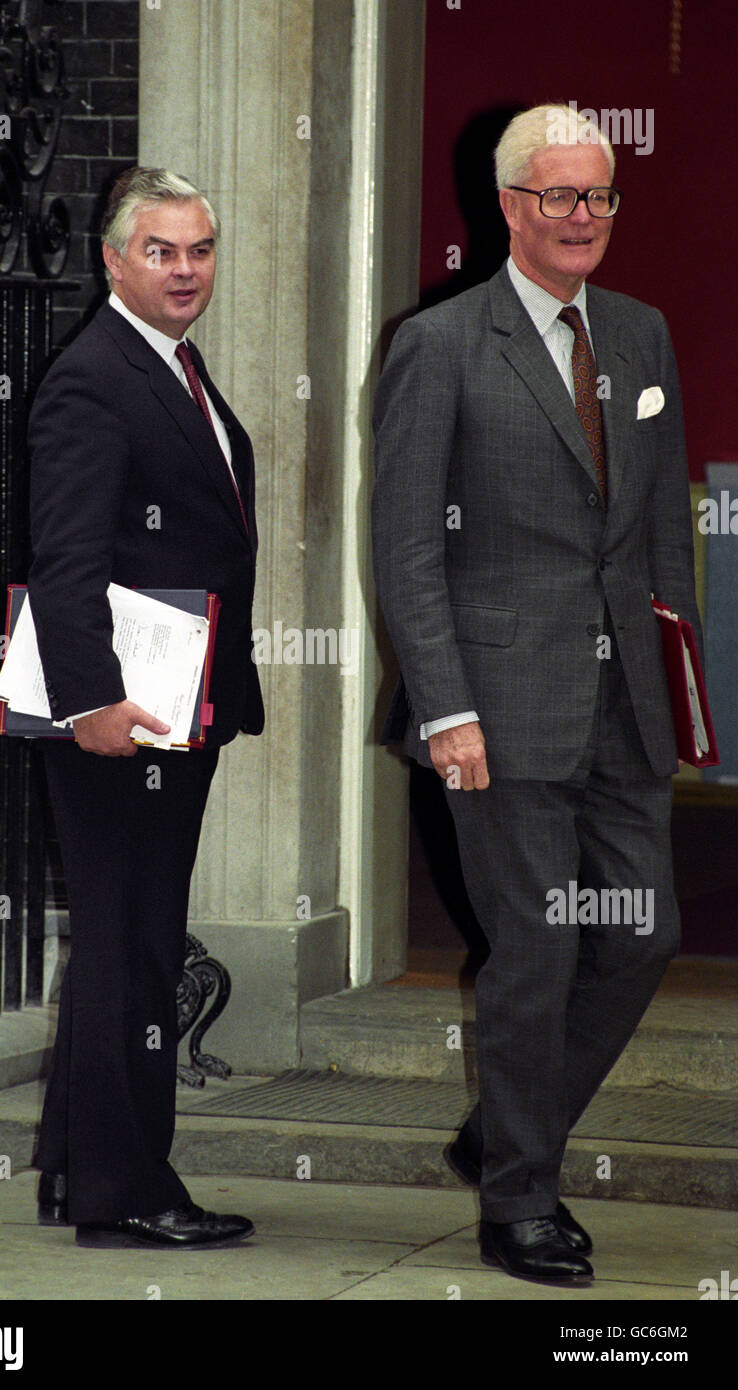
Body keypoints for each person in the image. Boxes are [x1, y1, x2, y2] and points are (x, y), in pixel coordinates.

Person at [371, 104, 702, 1284]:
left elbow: (662, 535)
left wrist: (683, 696)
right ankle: (519, 1200)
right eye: (557, 196)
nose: (580, 217)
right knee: (536, 949)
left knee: (644, 930)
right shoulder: (440, 345)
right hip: (497, 713)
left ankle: (504, 1129)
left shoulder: (641, 336)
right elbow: (407, 548)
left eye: (598, 196)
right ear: (507, 206)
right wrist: (445, 708)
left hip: (624, 706)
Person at [27, 167, 263, 1249]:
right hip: (122, 717)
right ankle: (127, 1193)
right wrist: (91, 703)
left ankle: (84, 1170)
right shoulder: (94, 375)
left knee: (128, 943)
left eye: (199, 249)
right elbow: (64, 559)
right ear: (113, 260)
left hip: (173, 701)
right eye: (161, 250)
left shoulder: (169, 364)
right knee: (135, 949)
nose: (183, 270)